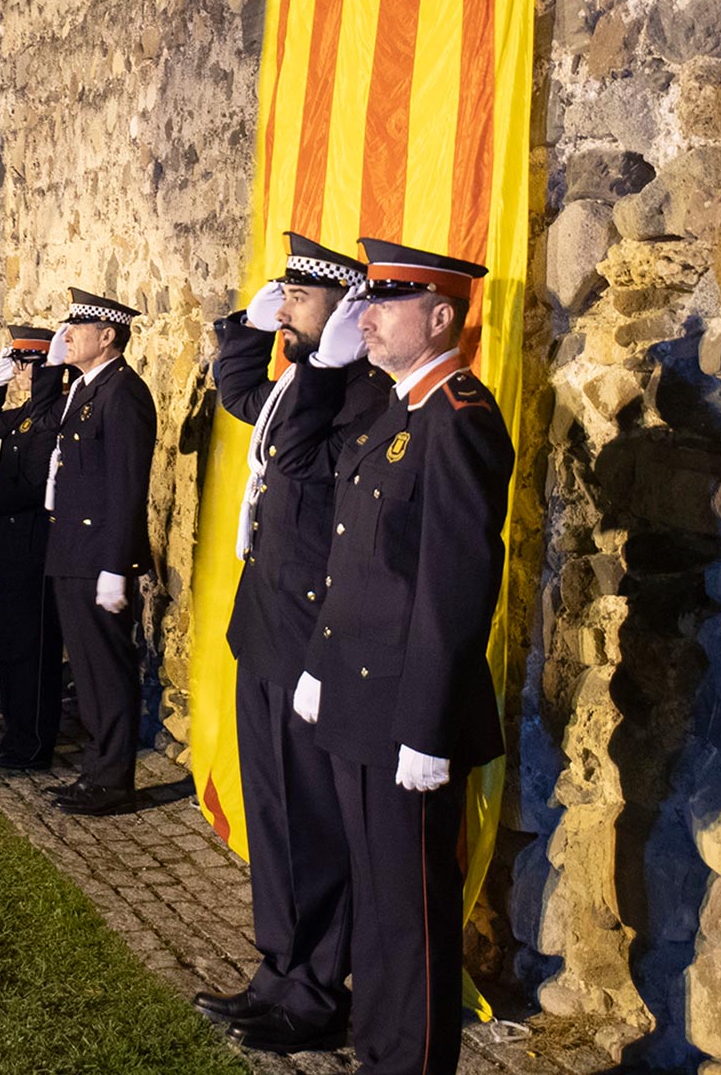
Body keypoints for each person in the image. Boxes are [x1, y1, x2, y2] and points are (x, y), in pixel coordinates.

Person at [286, 237, 513, 1075]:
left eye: (386, 302)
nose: (366, 316)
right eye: (367, 300)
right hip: (356, 698)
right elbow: (355, 560)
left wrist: (428, 728)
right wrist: (318, 662)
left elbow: (454, 594)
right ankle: (380, 1055)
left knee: (413, 918)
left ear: (442, 315)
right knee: (378, 908)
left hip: (409, 715)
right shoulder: (395, 414)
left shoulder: (459, 421)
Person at [192, 232, 375, 1055]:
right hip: (266, 625)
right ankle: (279, 967)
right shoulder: (298, 383)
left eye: (300, 300)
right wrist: (243, 326)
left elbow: (294, 448)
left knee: (313, 819)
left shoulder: (353, 392)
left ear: (343, 312)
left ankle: (315, 992)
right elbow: (244, 402)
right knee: (272, 813)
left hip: (311, 634)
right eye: (285, 298)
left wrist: (324, 364)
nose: (287, 311)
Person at [42, 287, 157, 817]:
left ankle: (113, 780)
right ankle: (96, 772)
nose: (66, 336)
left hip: (98, 556)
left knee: (106, 668)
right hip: (72, 550)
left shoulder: (123, 393)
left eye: (76, 329)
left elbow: (127, 486)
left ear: (107, 336)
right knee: (85, 669)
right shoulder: (86, 387)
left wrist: (118, 565)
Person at [0, 324, 70, 770]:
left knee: (32, 651)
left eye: (26, 365)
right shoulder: (29, 412)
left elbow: (32, 486)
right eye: (18, 365)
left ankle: (31, 743)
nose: (21, 374)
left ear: (46, 366)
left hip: (34, 550)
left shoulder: (53, 414)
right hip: (12, 549)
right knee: (11, 648)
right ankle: (15, 737)